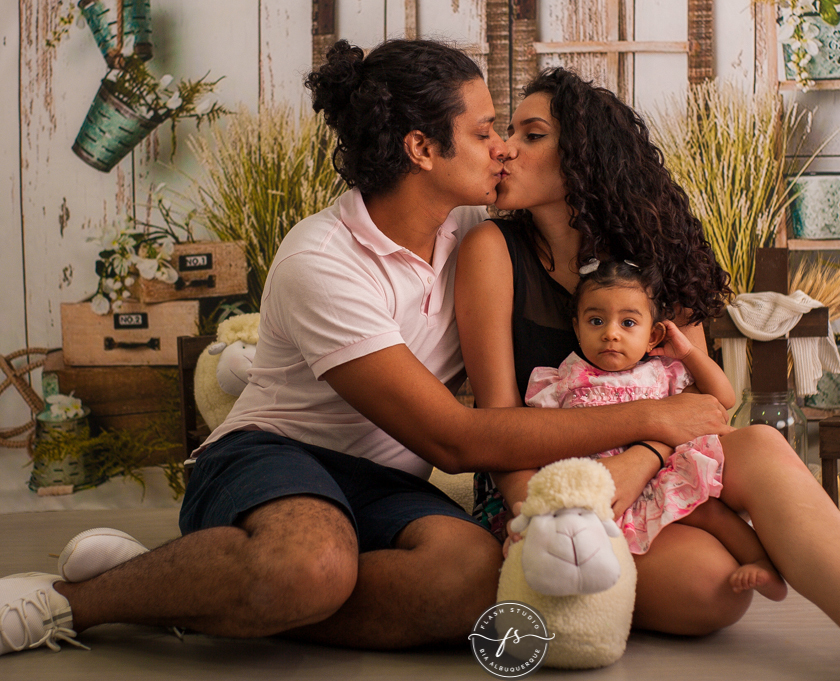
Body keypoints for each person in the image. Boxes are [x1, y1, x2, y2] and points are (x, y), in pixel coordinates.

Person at [0, 39, 732, 657]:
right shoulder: (322, 260)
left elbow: (587, 228)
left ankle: (200, 588)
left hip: (383, 482)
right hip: (274, 453)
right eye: (484, 131)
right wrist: (651, 419)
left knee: (471, 580)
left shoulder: (469, 232)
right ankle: (73, 601)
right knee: (311, 564)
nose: (502, 147)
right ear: (422, 147)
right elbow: (452, 440)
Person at [454, 66, 840, 681]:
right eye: (507, 131)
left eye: (531, 134)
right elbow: (497, 428)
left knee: (761, 442)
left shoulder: (649, 253)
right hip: (545, 487)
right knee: (713, 592)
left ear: (585, 158)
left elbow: (705, 404)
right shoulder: (492, 251)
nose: (505, 148)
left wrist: (642, 457)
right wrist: (541, 517)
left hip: (652, 467)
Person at [520, 258, 787, 601]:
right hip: (600, 486)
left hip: (659, 475)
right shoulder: (562, 379)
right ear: (577, 328)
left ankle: (761, 562)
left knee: (709, 512)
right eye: (596, 321)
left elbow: (724, 396)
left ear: (653, 335)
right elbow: (542, 436)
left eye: (628, 322)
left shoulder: (662, 372)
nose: (611, 333)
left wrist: (688, 352)